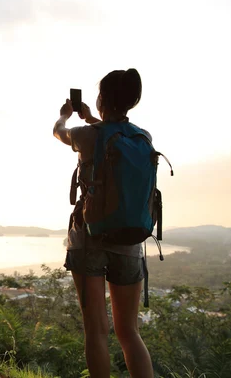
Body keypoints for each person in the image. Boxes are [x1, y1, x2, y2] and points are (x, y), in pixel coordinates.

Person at [53, 68, 154, 378]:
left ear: (102, 100)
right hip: (130, 241)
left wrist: (64, 116)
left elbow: (58, 133)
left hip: (89, 239)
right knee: (129, 332)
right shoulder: (142, 137)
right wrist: (92, 118)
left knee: (97, 332)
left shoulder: (86, 136)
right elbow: (113, 134)